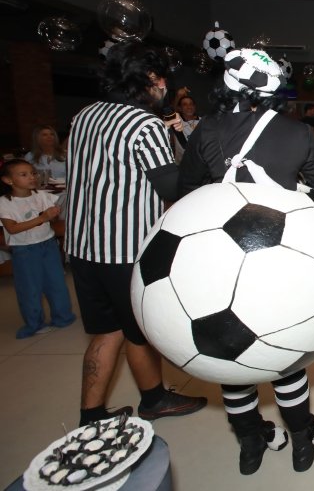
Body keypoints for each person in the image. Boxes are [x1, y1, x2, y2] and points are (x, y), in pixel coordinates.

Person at [179, 48, 314, 474]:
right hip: (278, 263)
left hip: (218, 264)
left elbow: (186, 192)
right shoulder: (298, 133)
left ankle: (250, 444)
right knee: (286, 355)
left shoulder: (206, 131)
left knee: (230, 355)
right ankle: (302, 441)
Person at [65, 42, 207, 427]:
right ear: (148, 80)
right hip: (124, 250)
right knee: (140, 331)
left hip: (82, 247)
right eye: (160, 78)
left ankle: (91, 415)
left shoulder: (83, 116)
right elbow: (174, 190)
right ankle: (154, 400)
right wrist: (185, 146)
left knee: (105, 331)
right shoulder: (144, 125)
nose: (164, 85)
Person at [0, 159, 76, 338]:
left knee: (56, 283)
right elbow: (12, 228)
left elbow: (52, 219)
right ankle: (34, 323)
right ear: (8, 180)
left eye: (33, 173)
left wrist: (53, 215)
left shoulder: (42, 196)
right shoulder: (5, 203)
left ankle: (62, 317)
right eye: (24, 174)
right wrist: (42, 218)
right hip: (24, 250)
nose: (31, 177)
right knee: (30, 288)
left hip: (48, 245)